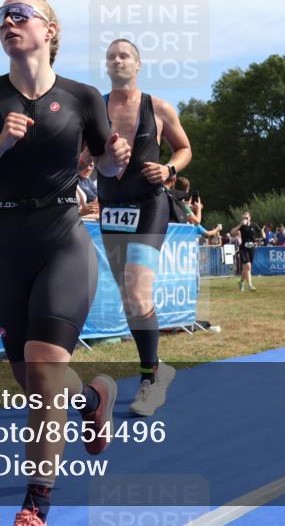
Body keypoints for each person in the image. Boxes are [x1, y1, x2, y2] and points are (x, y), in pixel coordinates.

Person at [0, 0, 131, 526]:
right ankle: (93, 399)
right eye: (2, 16)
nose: (9, 22)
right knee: (32, 380)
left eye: (20, 14)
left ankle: (36, 503)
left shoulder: (81, 96)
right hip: (7, 238)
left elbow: (108, 167)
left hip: (63, 237)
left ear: (49, 30)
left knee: (46, 366)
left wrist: (115, 158)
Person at [95, 37, 193, 418]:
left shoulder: (159, 107)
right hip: (111, 207)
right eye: (111, 56)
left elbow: (184, 149)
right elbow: (82, 157)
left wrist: (168, 169)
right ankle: (157, 367)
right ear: (106, 66)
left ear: (138, 65)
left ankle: (149, 382)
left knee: (137, 291)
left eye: (124, 56)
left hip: (150, 205)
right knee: (130, 300)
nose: (117, 61)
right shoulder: (95, 108)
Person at [231, 211, 259, 291]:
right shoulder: (242, 226)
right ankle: (250, 286)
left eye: (246, 218)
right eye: (244, 218)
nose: (245, 219)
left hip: (251, 248)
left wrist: (263, 234)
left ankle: (241, 282)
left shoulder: (254, 225)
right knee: (248, 266)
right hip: (243, 248)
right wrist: (240, 224)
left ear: (250, 218)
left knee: (246, 268)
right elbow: (232, 232)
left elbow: (260, 232)